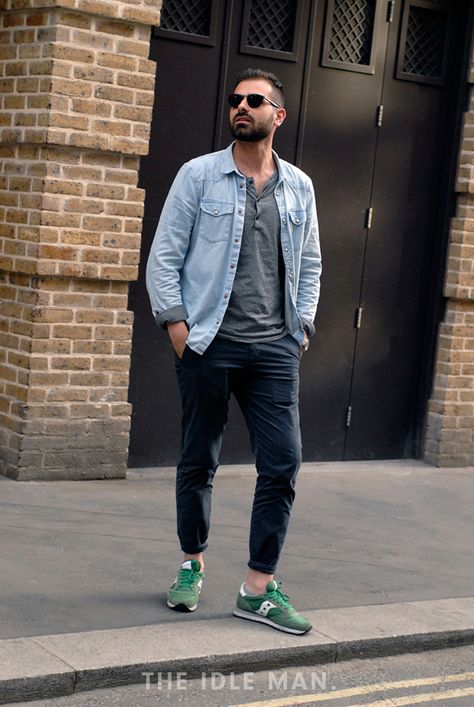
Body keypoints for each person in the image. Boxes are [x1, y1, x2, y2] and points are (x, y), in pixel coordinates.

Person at [146, 68, 321, 635]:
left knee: (283, 463)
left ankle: (257, 586)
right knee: (200, 459)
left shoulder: (300, 186)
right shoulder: (198, 175)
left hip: (274, 345)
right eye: (235, 100)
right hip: (209, 341)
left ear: (279, 115)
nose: (241, 107)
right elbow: (163, 256)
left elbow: (311, 264)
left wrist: (303, 329)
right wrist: (176, 324)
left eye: (255, 100)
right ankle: (191, 563)